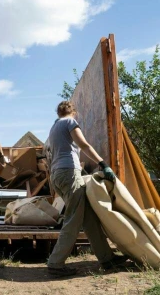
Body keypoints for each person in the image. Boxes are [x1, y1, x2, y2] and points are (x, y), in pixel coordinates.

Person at [47, 101, 128, 277]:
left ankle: (107, 258)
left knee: (88, 217)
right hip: (68, 173)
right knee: (73, 219)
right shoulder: (69, 123)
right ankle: (55, 263)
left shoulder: (54, 127)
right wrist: (103, 164)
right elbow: (84, 145)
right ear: (74, 112)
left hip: (58, 175)